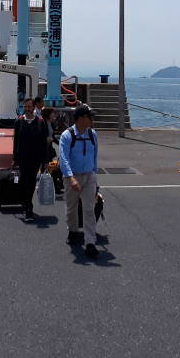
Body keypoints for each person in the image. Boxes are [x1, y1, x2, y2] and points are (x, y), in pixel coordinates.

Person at [59, 105, 100, 258]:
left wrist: (94, 174)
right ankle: (73, 230)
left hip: (89, 176)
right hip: (73, 176)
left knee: (89, 208)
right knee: (71, 207)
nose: (92, 120)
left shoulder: (93, 134)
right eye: (90, 117)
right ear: (82, 119)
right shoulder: (67, 135)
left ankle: (90, 242)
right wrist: (70, 178)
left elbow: (95, 154)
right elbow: (64, 159)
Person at [12, 98, 49, 222]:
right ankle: (26, 203)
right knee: (23, 181)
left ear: (34, 107)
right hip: (22, 157)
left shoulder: (40, 122)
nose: (27, 109)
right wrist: (14, 158)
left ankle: (28, 206)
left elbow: (44, 143)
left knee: (31, 182)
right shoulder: (19, 122)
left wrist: (45, 160)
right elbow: (15, 141)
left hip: (35, 158)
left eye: (29, 106)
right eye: (25, 107)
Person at [41, 107, 64, 194]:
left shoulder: (51, 123)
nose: (54, 115)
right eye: (52, 113)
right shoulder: (42, 123)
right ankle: (48, 187)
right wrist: (46, 139)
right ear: (48, 114)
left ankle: (54, 186)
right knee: (46, 168)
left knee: (50, 167)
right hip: (44, 150)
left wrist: (60, 143)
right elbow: (39, 136)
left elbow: (53, 137)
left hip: (49, 149)